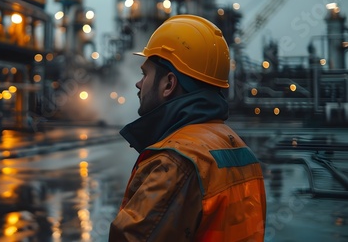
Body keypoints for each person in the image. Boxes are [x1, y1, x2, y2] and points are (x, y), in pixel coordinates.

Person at [109, 14, 266, 241]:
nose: (138, 83)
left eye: (145, 74)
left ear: (169, 84)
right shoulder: (241, 150)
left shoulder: (175, 163)